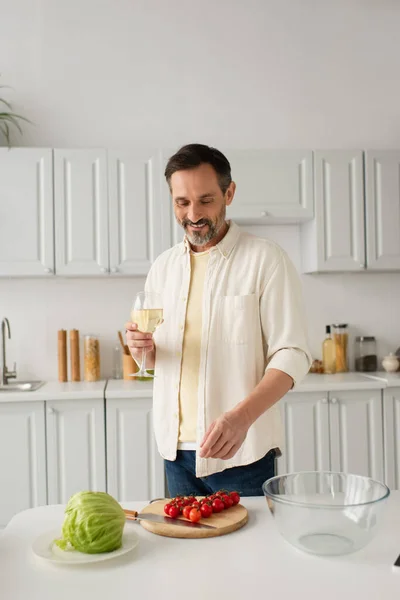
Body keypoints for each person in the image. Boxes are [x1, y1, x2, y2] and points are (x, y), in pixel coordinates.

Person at [125, 143, 311, 497]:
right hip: (175, 454)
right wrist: (142, 349)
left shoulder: (265, 260)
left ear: (229, 193)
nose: (193, 213)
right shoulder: (163, 267)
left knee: (248, 553)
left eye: (205, 200)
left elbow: (293, 355)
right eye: (182, 202)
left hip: (243, 455)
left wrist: (241, 418)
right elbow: (155, 359)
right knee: (186, 552)